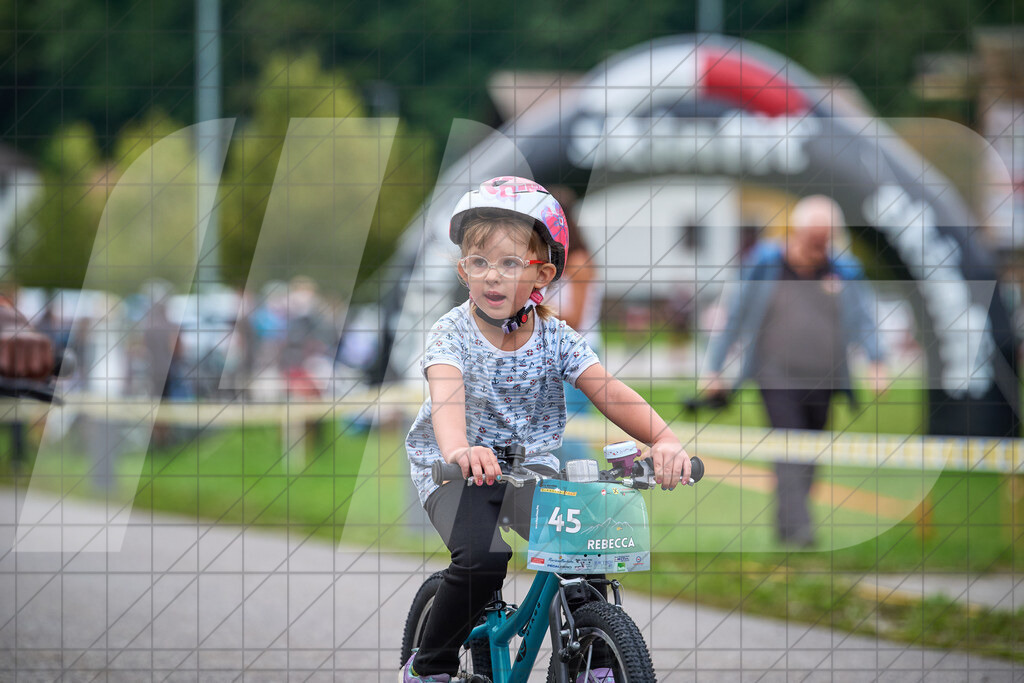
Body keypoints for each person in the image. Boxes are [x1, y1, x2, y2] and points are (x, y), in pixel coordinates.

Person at [402, 176, 690, 682]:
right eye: (480, 262)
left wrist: (663, 439)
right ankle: (430, 666)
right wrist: (461, 449)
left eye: (510, 263)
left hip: (531, 469)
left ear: (543, 274)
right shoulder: (452, 332)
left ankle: (600, 666)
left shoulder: (556, 336)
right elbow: (447, 396)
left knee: (586, 551)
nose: (493, 276)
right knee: (483, 561)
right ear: (463, 268)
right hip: (456, 473)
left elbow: (607, 390)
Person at [702, 195, 886, 548]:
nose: (819, 247)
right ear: (797, 232)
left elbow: (863, 320)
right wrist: (714, 368)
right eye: (813, 238)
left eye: (825, 239)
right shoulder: (765, 265)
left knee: (811, 455)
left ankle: (787, 522)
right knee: (789, 447)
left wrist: (877, 361)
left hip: (825, 379)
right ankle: (802, 532)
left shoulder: (844, 270)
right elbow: (734, 317)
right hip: (775, 377)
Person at [545, 186, 603, 465]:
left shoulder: (579, 262)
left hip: (580, 349)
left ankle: (584, 489)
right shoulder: (555, 263)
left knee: (573, 432)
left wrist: (534, 312)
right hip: (557, 350)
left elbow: (576, 320)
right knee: (554, 430)